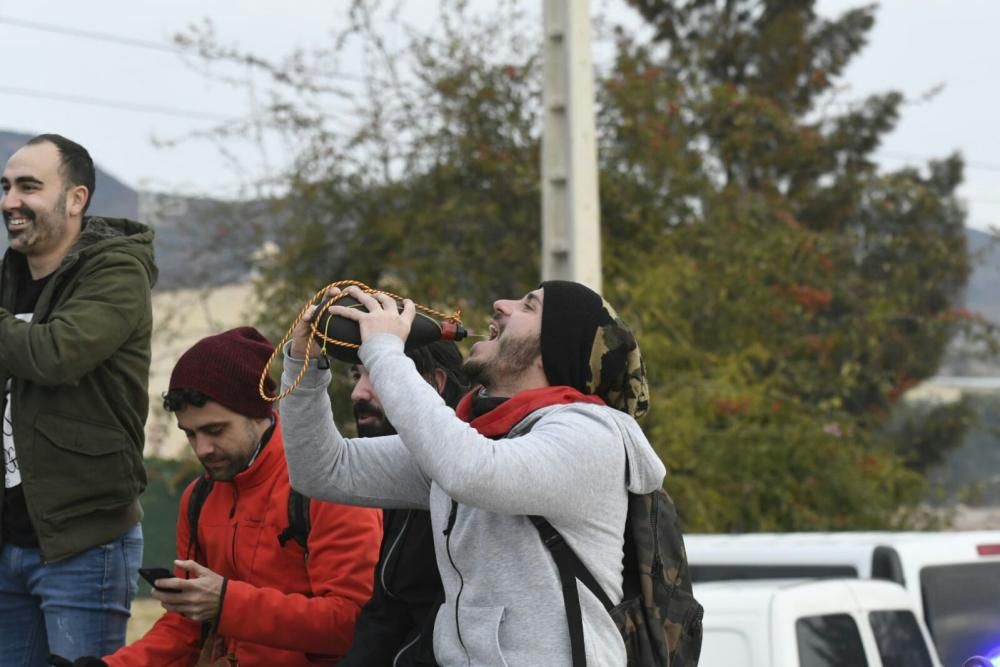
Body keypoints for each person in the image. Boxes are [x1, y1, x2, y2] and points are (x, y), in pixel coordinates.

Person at [281, 281, 666, 666]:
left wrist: (384, 351)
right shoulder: (478, 437)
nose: (501, 304)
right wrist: (305, 366)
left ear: (552, 352)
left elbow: (472, 472)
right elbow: (323, 470)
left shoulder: (591, 435)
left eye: (528, 307)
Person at [99, 327, 383, 666]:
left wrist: (227, 604)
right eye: (190, 434)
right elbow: (186, 627)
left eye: (216, 430)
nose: (202, 449)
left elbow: (352, 622)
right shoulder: (199, 496)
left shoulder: (328, 484)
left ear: (258, 412)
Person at [0, 134, 157, 663]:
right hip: (9, 541)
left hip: (83, 543)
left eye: (28, 186)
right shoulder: (8, 279)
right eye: (5, 187)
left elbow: (55, 354)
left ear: (76, 199)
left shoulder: (116, 272)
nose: (9, 201)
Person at [340, 341, 468, 667]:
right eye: (357, 375)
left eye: (376, 376)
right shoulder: (401, 472)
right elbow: (386, 612)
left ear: (434, 383)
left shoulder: (471, 483)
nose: (358, 393)